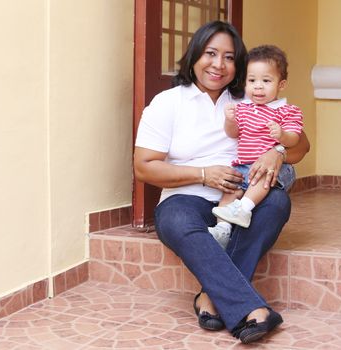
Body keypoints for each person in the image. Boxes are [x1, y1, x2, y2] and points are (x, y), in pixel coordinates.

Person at [133, 21, 310, 344]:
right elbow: (144, 167)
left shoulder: (253, 95)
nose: (219, 64)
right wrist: (203, 174)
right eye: (210, 53)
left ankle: (211, 299)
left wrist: (278, 153)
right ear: (194, 56)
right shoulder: (168, 102)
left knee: (276, 203)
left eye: (229, 57)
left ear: (238, 64)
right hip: (186, 196)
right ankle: (246, 307)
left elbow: (302, 146)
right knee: (176, 220)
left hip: (241, 195)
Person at [208, 45, 303, 249]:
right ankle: (222, 230)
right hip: (243, 166)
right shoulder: (243, 108)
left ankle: (244, 207)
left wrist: (282, 135)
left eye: (266, 81)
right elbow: (233, 134)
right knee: (229, 192)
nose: (258, 87)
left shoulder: (288, 111)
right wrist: (230, 120)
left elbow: (295, 139)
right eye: (252, 81)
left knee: (261, 177)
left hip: (275, 169)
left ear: (282, 84)